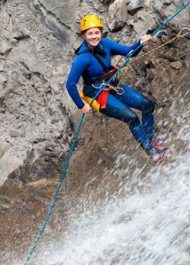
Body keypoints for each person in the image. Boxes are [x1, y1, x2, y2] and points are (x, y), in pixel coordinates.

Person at [65, 13, 167, 164]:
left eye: (96, 32)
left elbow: (129, 52)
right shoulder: (82, 58)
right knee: (132, 117)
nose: (94, 36)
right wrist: (81, 105)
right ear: (84, 35)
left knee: (147, 105)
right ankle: (152, 152)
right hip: (97, 93)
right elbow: (70, 84)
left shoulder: (106, 43)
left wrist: (141, 42)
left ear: (101, 32)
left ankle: (152, 138)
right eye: (90, 33)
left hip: (112, 85)